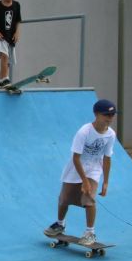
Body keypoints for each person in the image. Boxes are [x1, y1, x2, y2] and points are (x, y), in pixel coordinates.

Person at [44, 99, 117, 245]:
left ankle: (90, 233)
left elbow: (107, 158)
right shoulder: (84, 132)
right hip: (76, 167)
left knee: (89, 199)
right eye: (106, 115)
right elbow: (76, 158)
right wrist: (84, 180)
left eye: (112, 115)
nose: (110, 118)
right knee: (64, 199)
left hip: (94, 169)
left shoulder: (111, 134)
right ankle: (60, 224)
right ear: (96, 114)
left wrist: (105, 182)